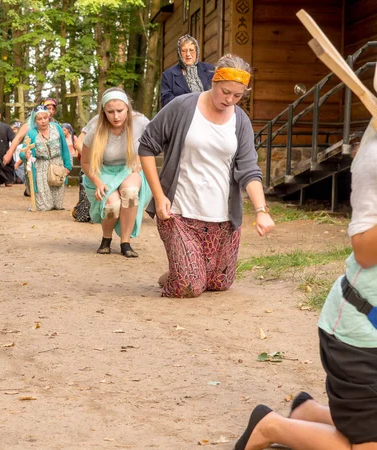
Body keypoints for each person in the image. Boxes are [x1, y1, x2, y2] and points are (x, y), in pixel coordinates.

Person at [232, 119, 377, 450]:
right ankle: (270, 427)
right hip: (362, 338)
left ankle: (307, 412)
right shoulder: (374, 158)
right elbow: (366, 252)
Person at [140, 54, 274, 297]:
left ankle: (185, 270)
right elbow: (146, 146)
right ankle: (177, 275)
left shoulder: (240, 120)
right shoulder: (182, 107)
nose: (230, 100)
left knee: (219, 283)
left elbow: (249, 170)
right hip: (179, 212)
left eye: (238, 96)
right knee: (189, 286)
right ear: (214, 80)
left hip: (222, 218)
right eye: (225, 92)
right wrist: (159, 196)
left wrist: (261, 211)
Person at [81, 88, 151, 257]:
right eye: (110, 112)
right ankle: (106, 238)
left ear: (128, 108)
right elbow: (85, 162)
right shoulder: (95, 130)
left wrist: (141, 159)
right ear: (104, 112)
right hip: (104, 172)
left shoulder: (141, 123)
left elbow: (157, 143)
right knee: (113, 205)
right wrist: (97, 182)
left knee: (130, 192)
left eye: (120, 111)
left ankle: (125, 242)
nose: (116, 116)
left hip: (130, 169)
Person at [19, 106, 72, 211]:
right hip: (40, 167)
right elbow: (23, 152)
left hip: (57, 165)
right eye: (39, 119)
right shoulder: (31, 133)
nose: (43, 121)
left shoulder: (56, 128)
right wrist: (26, 156)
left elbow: (64, 147)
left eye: (45, 118)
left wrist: (67, 166)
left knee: (57, 205)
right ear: (35, 120)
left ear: (49, 117)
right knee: (43, 206)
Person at [160, 34, 214, 108]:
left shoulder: (209, 69)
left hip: (208, 114)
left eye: (191, 50)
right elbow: (166, 102)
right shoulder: (168, 75)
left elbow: (216, 93)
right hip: (181, 116)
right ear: (179, 53)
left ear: (197, 51)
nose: (188, 54)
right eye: (184, 51)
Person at [3, 98, 59, 166]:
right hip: (32, 160)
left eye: (53, 109)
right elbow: (18, 138)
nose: (51, 111)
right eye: (48, 108)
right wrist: (9, 153)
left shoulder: (55, 125)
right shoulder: (30, 124)